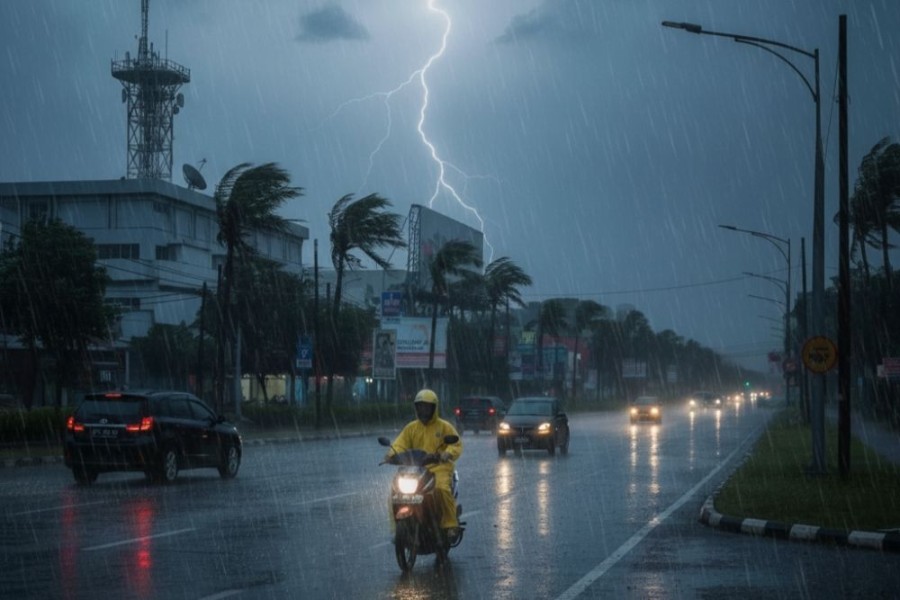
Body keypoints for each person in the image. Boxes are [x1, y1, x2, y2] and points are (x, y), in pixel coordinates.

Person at [384, 388, 463, 538]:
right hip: (415, 469)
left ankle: (450, 524)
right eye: (421, 406)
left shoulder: (444, 426)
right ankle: (396, 529)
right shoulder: (411, 428)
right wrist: (391, 454)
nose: (424, 410)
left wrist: (447, 453)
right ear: (416, 408)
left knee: (441, 489)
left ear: (434, 408)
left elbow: (456, 443)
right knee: (394, 493)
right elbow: (400, 444)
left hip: (439, 467)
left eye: (427, 406)